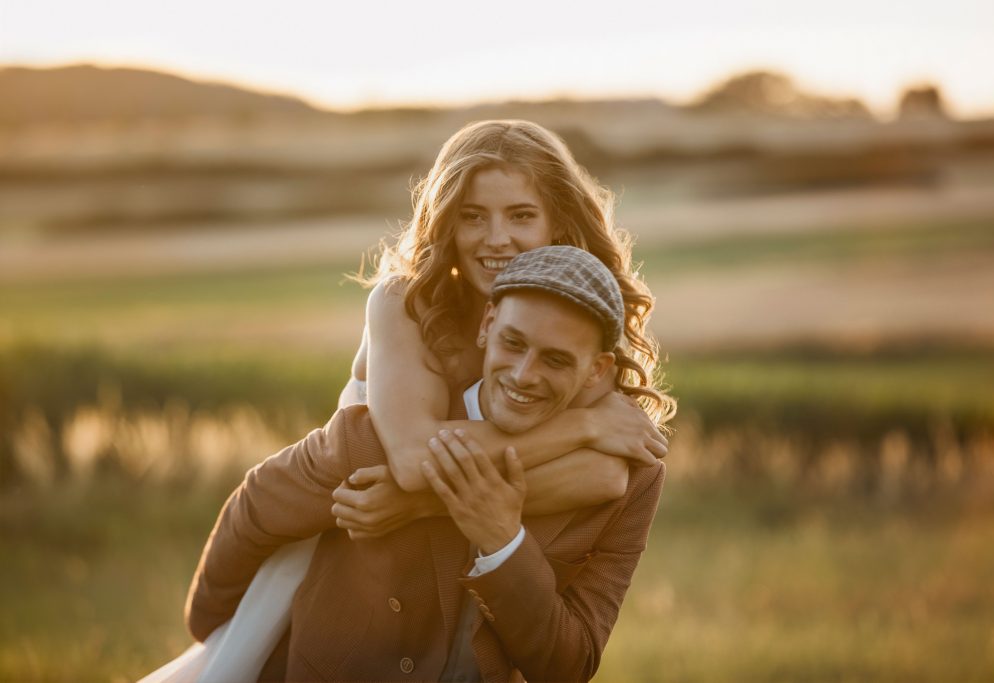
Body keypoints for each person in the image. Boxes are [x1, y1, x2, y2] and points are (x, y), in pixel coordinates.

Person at [138, 119, 675, 682]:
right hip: (336, 542)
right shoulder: (407, 304)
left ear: (559, 222)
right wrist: (582, 431)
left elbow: (606, 482)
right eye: (472, 216)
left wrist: (419, 503)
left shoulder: (578, 361)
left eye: (520, 215)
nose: (496, 239)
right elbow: (412, 461)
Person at [185, 246, 667, 681]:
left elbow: (571, 664)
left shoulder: (634, 478)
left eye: (556, 360)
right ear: (487, 326)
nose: (524, 375)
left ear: (598, 369)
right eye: (513, 343)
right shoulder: (389, 433)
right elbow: (257, 505)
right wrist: (218, 629)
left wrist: (503, 540)